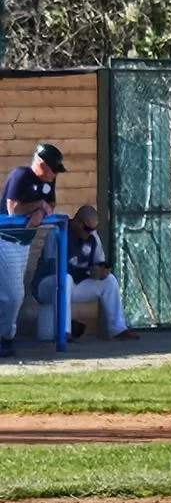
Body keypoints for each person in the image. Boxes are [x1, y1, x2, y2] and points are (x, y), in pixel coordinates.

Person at [33, 205, 139, 342]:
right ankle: (64, 332)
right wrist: (88, 271)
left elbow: (99, 261)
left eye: (93, 229)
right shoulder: (58, 232)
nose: (90, 233)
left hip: (75, 283)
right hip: (47, 284)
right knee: (65, 278)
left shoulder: (93, 237)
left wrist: (99, 271)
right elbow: (56, 267)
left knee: (109, 281)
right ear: (77, 221)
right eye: (87, 228)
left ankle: (118, 328)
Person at [0, 143, 65, 358]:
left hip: (23, 244)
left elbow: (51, 204)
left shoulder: (48, 181)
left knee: (11, 295)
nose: (55, 175)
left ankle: (6, 337)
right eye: (53, 169)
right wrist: (38, 206)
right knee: (13, 295)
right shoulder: (21, 175)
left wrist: (43, 211)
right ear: (42, 165)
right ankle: (5, 338)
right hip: (5, 240)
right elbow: (13, 210)